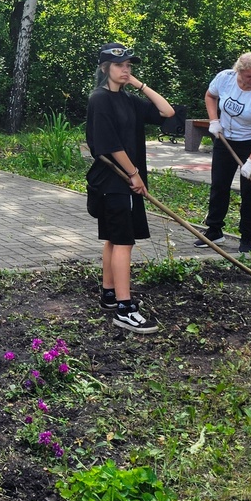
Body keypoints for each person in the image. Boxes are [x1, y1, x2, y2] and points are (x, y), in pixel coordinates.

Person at [85, 41, 175, 334]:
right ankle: (125, 308)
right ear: (104, 68)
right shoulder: (99, 99)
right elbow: (109, 144)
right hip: (113, 181)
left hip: (125, 181)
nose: (125, 70)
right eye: (119, 66)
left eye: (128, 66)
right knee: (124, 241)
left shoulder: (128, 99)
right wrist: (134, 173)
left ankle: (109, 293)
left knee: (114, 238)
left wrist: (138, 84)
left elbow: (167, 112)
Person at [195, 52, 251, 254]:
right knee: (219, 185)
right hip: (225, 139)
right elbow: (210, 95)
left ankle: (247, 237)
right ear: (238, 72)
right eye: (248, 76)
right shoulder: (225, 78)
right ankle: (214, 230)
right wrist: (214, 120)